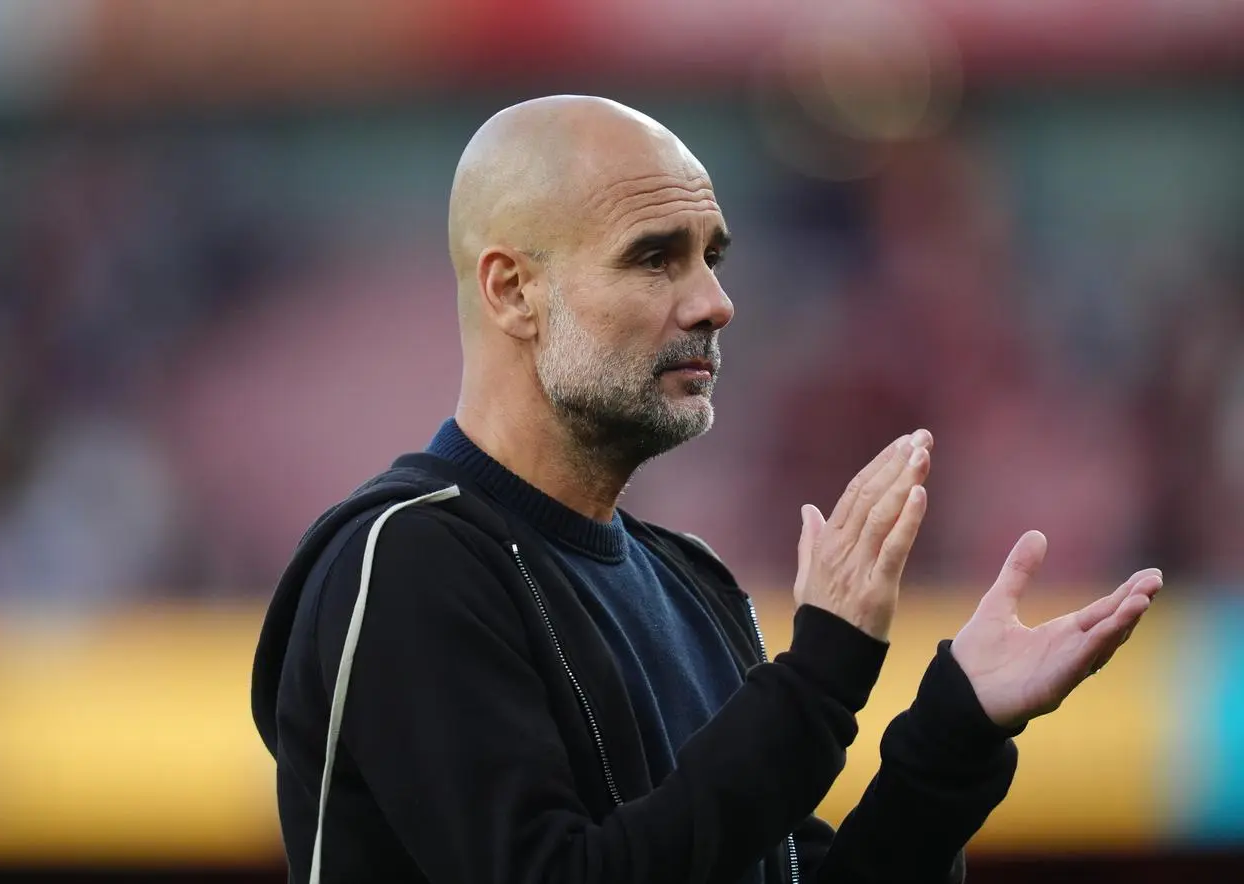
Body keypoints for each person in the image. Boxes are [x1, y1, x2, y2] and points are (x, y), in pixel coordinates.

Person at [250, 95, 1162, 884]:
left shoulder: (693, 585)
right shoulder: (406, 560)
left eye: (711, 256)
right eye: (655, 258)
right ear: (512, 292)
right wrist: (817, 682)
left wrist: (951, 733)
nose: (713, 302)